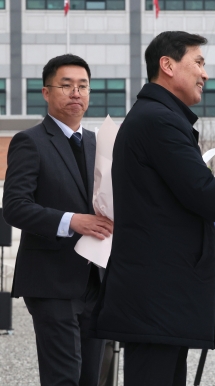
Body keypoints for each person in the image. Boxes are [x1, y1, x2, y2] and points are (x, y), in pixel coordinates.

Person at [91, 31, 215, 386]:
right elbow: (203, 192)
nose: (205, 73)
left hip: (164, 294)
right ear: (167, 65)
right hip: (156, 297)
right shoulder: (158, 120)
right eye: (198, 62)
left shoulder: (157, 117)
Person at [3, 54, 113, 386]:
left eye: (83, 86)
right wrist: (71, 221)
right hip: (51, 281)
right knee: (63, 378)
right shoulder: (30, 142)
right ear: (46, 92)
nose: (76, 93)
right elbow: (15, 206)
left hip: (96, 280)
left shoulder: (100, 143)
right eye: (66, 85)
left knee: (91, 379)